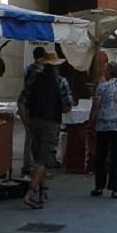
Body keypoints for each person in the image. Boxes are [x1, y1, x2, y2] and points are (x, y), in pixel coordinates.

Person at [23, 52, 73, 209]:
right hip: (51, 122)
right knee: (43, 160)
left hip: (34, 120)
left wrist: (26, 123)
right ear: (56, 66)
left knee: (38, 157)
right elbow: (67, 106)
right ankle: (31, 192)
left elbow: (23, 101)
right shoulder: (61, 82)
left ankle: (41, 191)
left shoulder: (33, 78)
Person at [88, 62, 117, 199]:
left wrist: (91, 122)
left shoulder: (103, 87)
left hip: (105, 124)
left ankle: (99, 186)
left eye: (105, 70)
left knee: (101, 156)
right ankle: (116, 189)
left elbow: (96, 106)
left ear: (109, 72)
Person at [18, 46, 47, 175]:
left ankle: (28, 164)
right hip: (33, 107)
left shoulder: (28, 69)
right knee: (34, 137)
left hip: (28, 105)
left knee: (29, 136)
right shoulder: (38, 71)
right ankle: (32, 165)